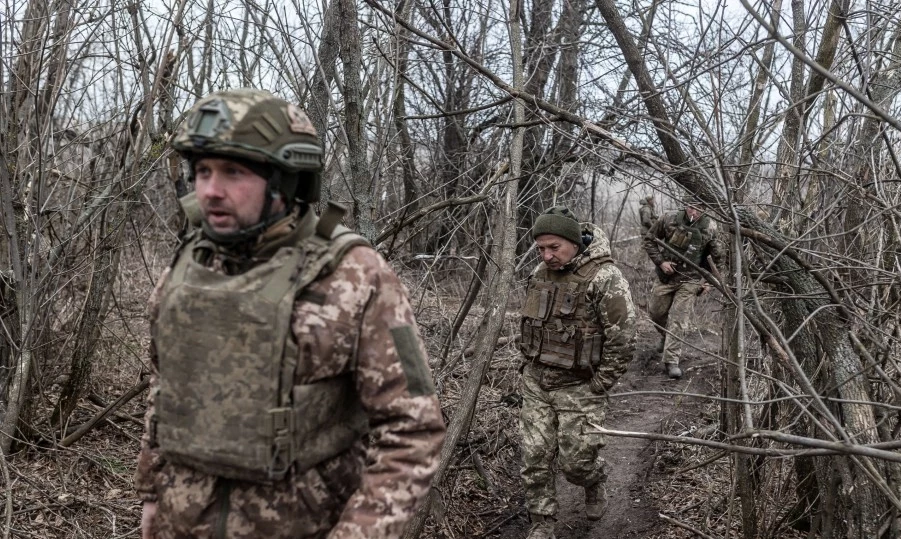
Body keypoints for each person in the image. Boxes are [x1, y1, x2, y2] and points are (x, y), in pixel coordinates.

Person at [134, 89, 446, 539]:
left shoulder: (356, 276)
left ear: (285, 181)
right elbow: (164, 390)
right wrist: (150, 497)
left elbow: (414, 429)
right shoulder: (189, 266)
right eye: (202, 171)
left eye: (233, 172)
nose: (210, 191)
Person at [518, 206, 636, 539]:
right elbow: (529, 322)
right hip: (537, 380)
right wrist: (526, 361)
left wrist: (601, 383)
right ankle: (542, 523)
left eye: (554, 247)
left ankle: (594, 480)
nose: (547, 255)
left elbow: (624, 336)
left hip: (579, 386)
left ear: (573, 241)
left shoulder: (604, 276)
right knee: (534, 457)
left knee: (576, 463)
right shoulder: (539, 273)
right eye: (541, 248)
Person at [642, 199, 721, 379]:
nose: (694, 212)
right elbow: (649, 241)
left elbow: (716, 258)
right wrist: (661, 262)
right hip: (667, 276)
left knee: (678, 319)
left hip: (690, 279)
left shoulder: (710, 227)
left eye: (699, 208)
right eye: (691, 207)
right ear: (685, 205)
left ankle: (671, 361)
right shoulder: (669, 219)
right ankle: (665, 336)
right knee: (656, 313)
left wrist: (708, 281)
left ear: (705, 209)